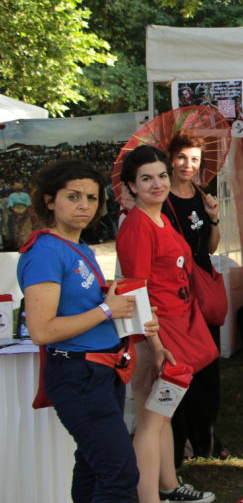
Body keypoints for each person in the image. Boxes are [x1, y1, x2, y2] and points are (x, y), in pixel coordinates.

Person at [18, 159, 159, 502]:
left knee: (94, 467)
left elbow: (91, 311)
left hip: (100, 370)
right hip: (77, 374)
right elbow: (42, 330)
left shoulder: (78, 247)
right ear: (50, 201)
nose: (84, 206)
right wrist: (107, 309)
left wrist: (132, 315)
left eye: (92, 198)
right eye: (73, 196)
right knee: (120, 474)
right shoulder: (45, 252)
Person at [116, 145, 216, 503]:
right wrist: (155, 346)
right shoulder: (137, 226)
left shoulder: (161, 218)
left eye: (160, 175)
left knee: (163, 413)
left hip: (176, 325)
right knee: (151, 419)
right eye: (146, 178)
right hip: (157, 333)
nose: (157, 184)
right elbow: (136, 290)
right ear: (131, 185)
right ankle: (150, 497)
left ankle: (169, 486)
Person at [162, 132, 226, 464]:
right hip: (176, 293)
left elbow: (211, 247)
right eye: (183, 158)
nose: (189, 165)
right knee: (181, 367)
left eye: (195, 160)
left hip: (202, 289)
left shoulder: (203, 195)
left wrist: (212, 216)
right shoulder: (160, 199)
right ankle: (181, 440)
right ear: (171, 159)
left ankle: (206, 438)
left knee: (208, 367)